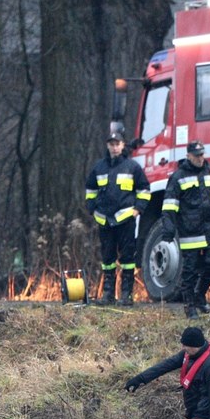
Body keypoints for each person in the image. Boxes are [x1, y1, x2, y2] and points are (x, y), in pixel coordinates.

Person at [160, 141, 210, 318]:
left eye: (202, 154)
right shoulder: (178, 177)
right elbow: (169, 206)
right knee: (189, 270)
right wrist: (168, 230)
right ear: (189, 156)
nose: (201, 158)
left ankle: (200, 294)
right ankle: (190, 305)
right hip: (190, 231)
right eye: (197, 155)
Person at [84, 130, 149, 305]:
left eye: (117, 144)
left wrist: (138, 210)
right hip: (104, 219)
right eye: (111, 144)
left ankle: (126, 295)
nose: (114, 147)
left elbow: (144, 190)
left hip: (126, 218)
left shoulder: (132, 167)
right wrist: (91, 208)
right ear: (107, 145)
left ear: (122, 145)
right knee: (107, 259)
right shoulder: (99, 167)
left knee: (128, 258)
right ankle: (108, 295)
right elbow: (90, 189)